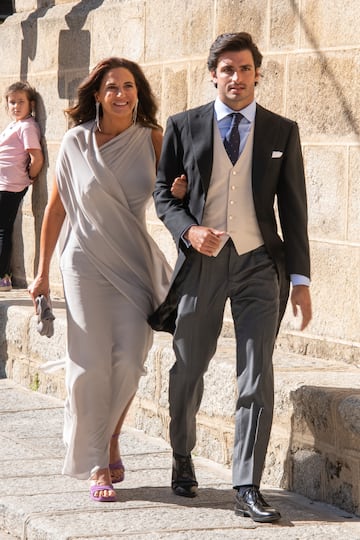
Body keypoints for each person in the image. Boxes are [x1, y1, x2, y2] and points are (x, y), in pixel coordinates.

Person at [149, 32, 312, 523]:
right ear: (213, 74)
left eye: (244, 69)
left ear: (257, 74)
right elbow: (163, 194)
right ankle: (182, 455)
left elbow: (294, 210)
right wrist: (189, 230)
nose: (236, 77)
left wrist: (300, 280)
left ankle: (247, 485)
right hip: (203, 262)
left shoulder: (282, 130)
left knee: (256, 371)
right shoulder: (183, 125)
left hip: (260, 263)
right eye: (226, 69)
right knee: (188, 365)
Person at [28, 57, 184, 503]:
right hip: (83, 263)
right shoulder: (76, 142)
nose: (122, 94)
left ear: (139, 92)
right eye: (112, 87)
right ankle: (98, 459)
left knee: (131, 359)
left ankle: (112, 433)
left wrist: (179, 192)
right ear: (97, 94)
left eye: (129, 86)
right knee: (90, 363)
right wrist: (41, 273)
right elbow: (55, 209)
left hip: (133, 262)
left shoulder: (153, 139)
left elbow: (172, 198)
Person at [0, 81, 44, 291]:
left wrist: (30, 177)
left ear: (31, 104)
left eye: (21, 102)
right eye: (12, 102)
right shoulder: (14, 124)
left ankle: (2, 278)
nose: (16, 106)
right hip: (3, 184)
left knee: (2, 229)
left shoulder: (27, 126)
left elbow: (36, 156)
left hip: (10, 186)